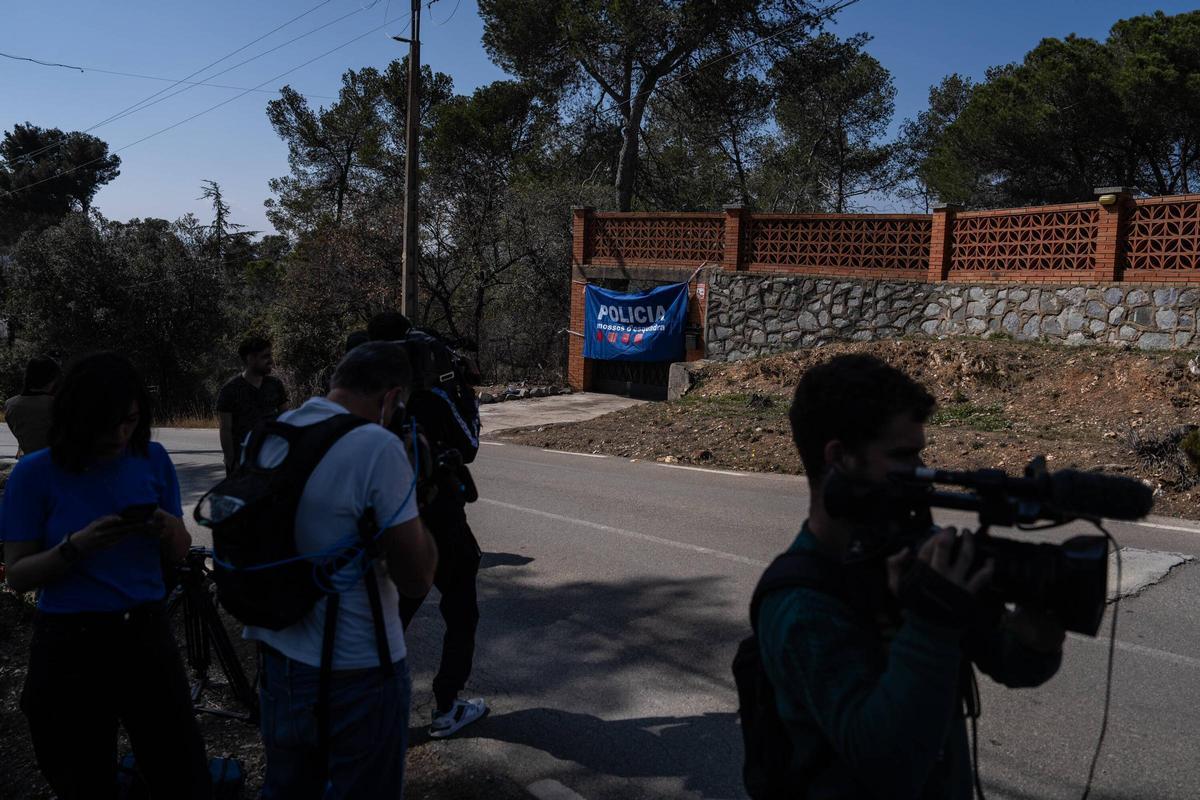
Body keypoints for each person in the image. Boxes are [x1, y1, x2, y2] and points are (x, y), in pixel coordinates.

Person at [756, 354, 1064, 799]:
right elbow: (888, 765)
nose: (921, 473)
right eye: (903, 456)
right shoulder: (800, 603)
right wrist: (931, 619)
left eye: (920, 453)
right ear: (840, 458)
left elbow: (1012, 663)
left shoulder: (918, 553)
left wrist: (1042, 631)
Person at [1, 352, 211, 799]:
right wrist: (76, 548)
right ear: (78, 417)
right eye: (108, 423)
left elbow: (177, 553)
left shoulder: (152, 458)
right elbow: (17, 575)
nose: (120, 434)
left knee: (181, 771)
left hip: (145, 631)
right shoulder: (34, 473)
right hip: (69, 641)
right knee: (81, 776)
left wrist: (166, 527)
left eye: (131, 420)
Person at [243, 341, 438, 799]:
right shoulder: (375, 446)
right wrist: (419, 494)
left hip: (277, 660)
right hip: (356, 669)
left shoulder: (271, 432)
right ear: (391, 397)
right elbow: (415, 578)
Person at [368, 312, 488, 738]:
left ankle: (369, 709)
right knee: (460, 612)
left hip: (386, 527)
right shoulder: (431, 399)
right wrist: (464, 392)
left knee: (389, 617)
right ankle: (447, 705)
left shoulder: (364, 401)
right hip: (440, 523)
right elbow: (470, 444)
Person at [217, 335, 288, 475]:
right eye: (265, 356)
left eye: (270, 355)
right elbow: (225, 429)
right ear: (250, 359)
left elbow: (285, 419)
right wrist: (231, 460)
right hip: (243, 461)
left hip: (272, 458)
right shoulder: (229, 390)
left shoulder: (275, 385)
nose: (271, 361)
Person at [5, 355, 60, 457]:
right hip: (55, 462)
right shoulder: (56, 404)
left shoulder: (10, 404)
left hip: (27, 460)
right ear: (52, 379)